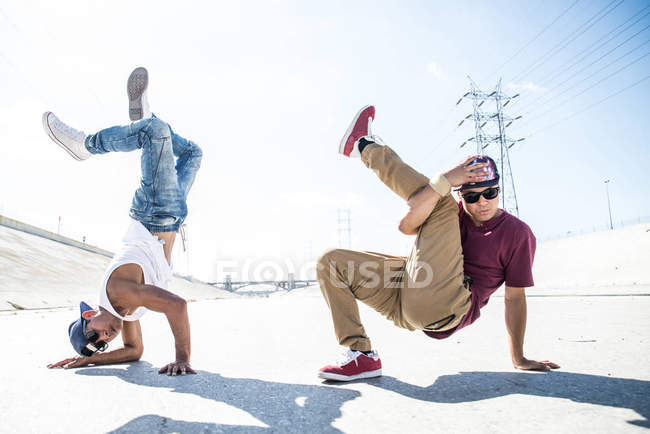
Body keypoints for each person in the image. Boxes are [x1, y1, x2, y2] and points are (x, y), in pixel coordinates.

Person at [317, 105, 559, 381]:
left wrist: (519, 357)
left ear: (499, 191)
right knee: (331, 261)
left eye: (490, 193)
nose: (482, 202)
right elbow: (406, 227)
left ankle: (364, 146)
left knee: (440, 197)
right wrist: (443, 183)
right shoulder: (451, 215)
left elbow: (515, 298)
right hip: (409, 299)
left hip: (447, 307)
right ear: (463, 196)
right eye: (471, 196)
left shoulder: (517, 233)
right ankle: (361, 356)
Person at [44, 67, 202, 376]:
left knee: (152, 132)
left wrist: (182, 357)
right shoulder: (124, 314)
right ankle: (143, 116)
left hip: (154, 213)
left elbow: (177, 306)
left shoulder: (119, 295)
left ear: (89, 315)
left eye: (95, 334)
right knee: (193, 154)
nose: (105, 337)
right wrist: (88, 359)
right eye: (101, 343)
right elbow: (135, 351)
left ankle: (85, 145)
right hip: (171, 218)